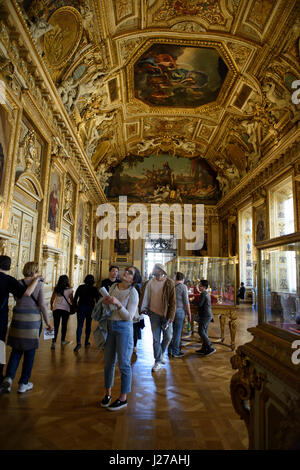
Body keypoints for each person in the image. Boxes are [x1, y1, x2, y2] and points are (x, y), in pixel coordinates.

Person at [0, 262, 53, 393]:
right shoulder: (39, 284)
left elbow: (19, 298)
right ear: (36, 270)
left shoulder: (17, 282)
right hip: (32, 322)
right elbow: (42, 305)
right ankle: (24, 382)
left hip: (18, 319)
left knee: (16, 350)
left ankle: (8, 378)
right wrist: (48, 322)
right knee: (30, 352)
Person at [100, 266, 141, 411]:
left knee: (124, 363)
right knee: (109, 362)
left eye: (130, 273)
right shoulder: (112, 287)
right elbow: (108, 308)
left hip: (124, 329)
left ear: (133, 279)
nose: (126, 273)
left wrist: (117, 303)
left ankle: (123, 398)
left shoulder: (133, 293)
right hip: (111, 326)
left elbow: (129, 317)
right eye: (127, 270)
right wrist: (106, 302)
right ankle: (108, 394)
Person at [140, 263, 176, 372]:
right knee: (156, 339)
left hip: (166, 315)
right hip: (154, 314)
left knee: (168, 336)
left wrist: (171, 316)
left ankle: (161, 354)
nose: (153, 270)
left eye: (155, 268)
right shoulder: (149, 283)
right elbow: (145, 296)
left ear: (160, 270)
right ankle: (157, 361)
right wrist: (144, 308)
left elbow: (173, 302)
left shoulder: (169, 283)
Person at [73, 274, 100, 352]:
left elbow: (75, 298)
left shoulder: (81, 287)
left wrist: (75, 307)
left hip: (81, 307)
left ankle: (78, 343)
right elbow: (97, 300)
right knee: (88, 325)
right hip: (90, 309)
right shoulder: (94, 289)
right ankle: (86, 342)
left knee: (80, 326)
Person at [168, 272, 191, 358]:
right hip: (179, 311)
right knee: (177, 332)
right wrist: (189, 314)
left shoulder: (171, 286)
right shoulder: (183, 287)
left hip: (171, 311)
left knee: (171, 331)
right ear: (183, 279)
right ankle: (175, 351)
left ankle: (170, 349)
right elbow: (186, 302)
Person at [50, 275, 73, 350]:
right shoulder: (70, 290)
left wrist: (51, 306)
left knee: (56, 326)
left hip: (56, 309)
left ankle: (53, 342)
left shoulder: (56, 289)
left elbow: (52, 299)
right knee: (64, 325)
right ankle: (63, 340)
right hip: (65, 310)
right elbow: (72, 301)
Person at [195, 280, 216, 357]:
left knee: (201, 331)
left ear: (204, 287)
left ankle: (210, 347)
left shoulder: (203, 294)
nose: (198, 287)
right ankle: (204, 348)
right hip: (207, 315)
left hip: (205, 315)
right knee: (204, 332)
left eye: (200, 286)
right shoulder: (206, 293)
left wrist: (193, 301)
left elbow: (200, 304)